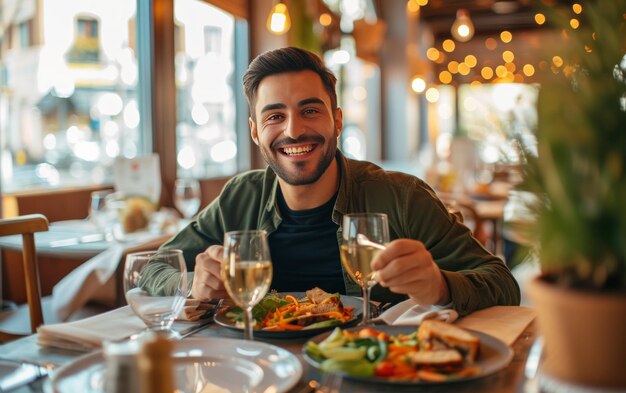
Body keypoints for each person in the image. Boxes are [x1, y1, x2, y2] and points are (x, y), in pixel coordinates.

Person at [148, 47, 520, 316]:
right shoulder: (239, 197)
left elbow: (503, 284)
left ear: (337, 122)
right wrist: (192, 284)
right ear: (255, 132)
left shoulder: (402, 196)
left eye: (310, 110)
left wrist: (440, 286)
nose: (294, 131)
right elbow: (154, 267)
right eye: (275, 116)